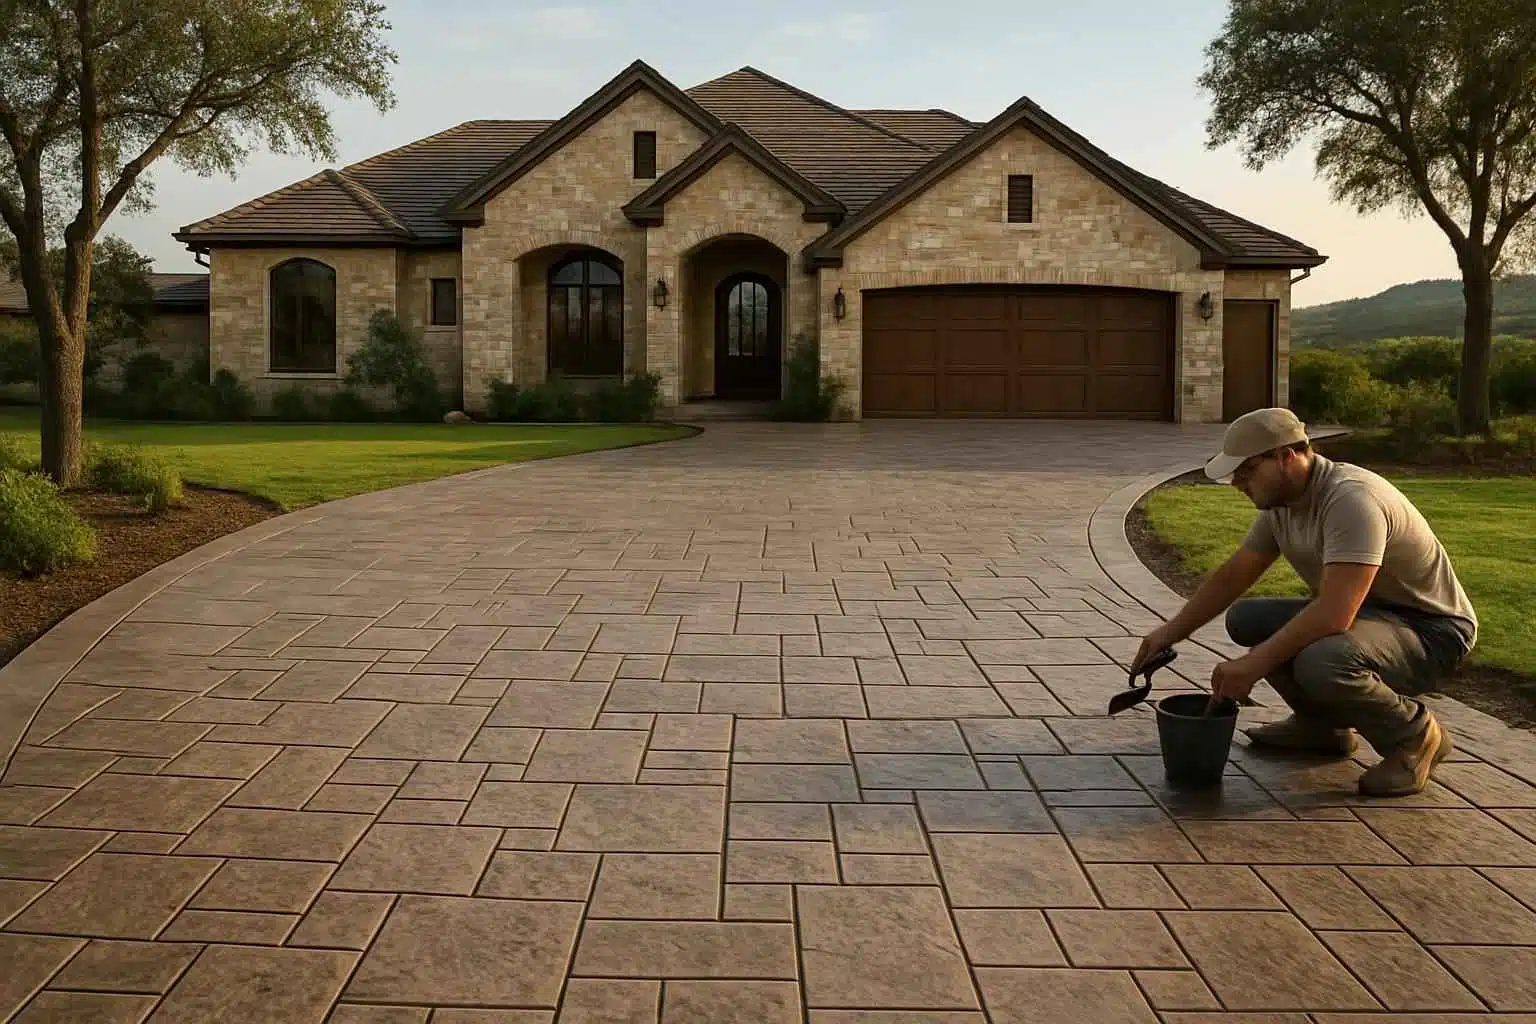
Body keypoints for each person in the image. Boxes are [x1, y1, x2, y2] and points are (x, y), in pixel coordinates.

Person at [1132, 407, 1477, 797]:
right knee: (1248, 619)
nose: (1237, 483)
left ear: (1285, 456)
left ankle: (1414, 735)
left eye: (1246, 470)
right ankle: (1321, 727)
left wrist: (1253, 664)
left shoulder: (1351, 499)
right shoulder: (1283, 502)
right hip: (1371, 617)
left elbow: (1334, 613)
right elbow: (1234, 575)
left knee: (1323, 660)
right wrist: (1168, 633)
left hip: (1431, 629)